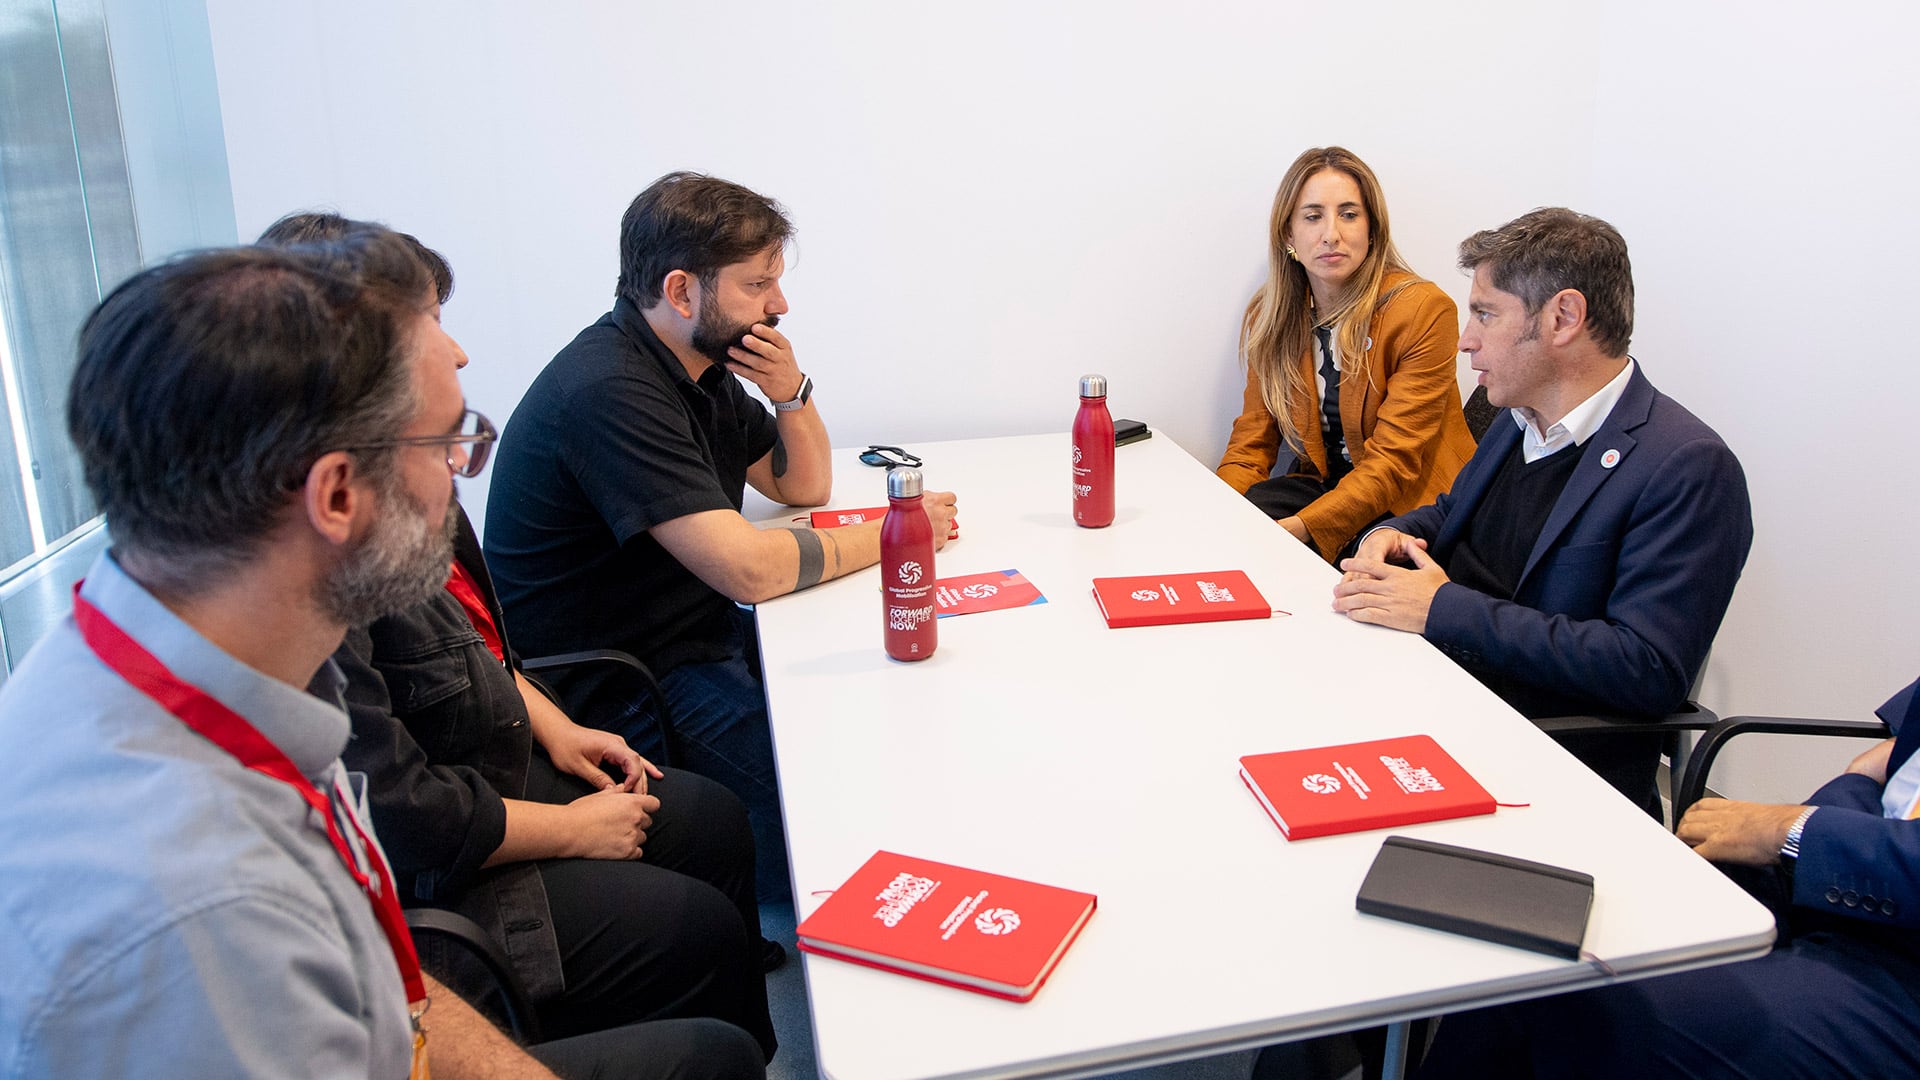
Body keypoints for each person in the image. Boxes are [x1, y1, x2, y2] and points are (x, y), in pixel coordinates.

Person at [0, 235, 762, 1077]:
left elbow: (387, 996)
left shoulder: (222, 661)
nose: (459, 479)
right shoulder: (201, 911)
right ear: (335, 495)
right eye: (447, 446)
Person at [258, 212, 779, 1057]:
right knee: (701, 934)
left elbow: (477, 653)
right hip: (461, 848)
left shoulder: (413, 487)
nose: (458, 350)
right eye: (428, 323)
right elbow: (406, 815)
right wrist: (574, 830)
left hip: (502, 741)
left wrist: (558, 727)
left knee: (715, 821)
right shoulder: (328, 567)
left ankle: (725, 1017)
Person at [484, 172, 959, 902]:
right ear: (681, 292)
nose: (779, 304)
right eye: (757, 284)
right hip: (621, 678)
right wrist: (904, 528)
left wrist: (791, 392)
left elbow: (799, 485)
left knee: (869, 725)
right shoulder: (610, 389)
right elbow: (750, 572)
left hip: (691, 631)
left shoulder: (695, 367)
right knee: (832, 803)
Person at [1331, 208, 1753, 809]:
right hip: (1433, 697)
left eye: (1485, 314)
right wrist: (1392, 533)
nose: (1466, 338)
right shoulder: (1516, 416)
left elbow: (1646, 669)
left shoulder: (1688, 467)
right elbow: (1451, 515)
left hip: (1539, 761)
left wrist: (1442, 610)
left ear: (1563, 318)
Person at [1415, 677, 1920, 1078]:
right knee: (1531, 932)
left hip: (1892, 965)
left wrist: (1797, 828)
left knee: (1604, 1005)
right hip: (1842, 872)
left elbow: (1647, 668)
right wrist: (1848, 797)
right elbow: (1895, 759)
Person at [1217, 146, 1475, 561]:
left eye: (1349, 214)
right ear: (1288, 235)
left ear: (1372, 230)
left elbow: (1393, 462)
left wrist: (1298, 530)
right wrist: (1216, 514)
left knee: (1337, 572)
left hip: (1410, 502)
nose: (1331, 234)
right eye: (1313, 215)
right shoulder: (1274, 316)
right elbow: (1250, 445)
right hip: (1322, 486)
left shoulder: (1424, 310)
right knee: (1239, 527)